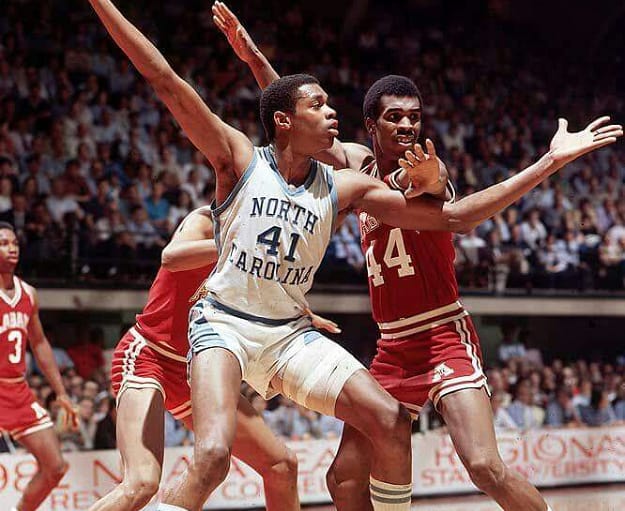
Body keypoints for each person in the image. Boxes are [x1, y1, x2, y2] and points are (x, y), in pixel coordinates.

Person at [89, 2, 622, 511]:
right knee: (266, 464)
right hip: (275, 329)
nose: (407, 126)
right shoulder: (308, 165)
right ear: (372, 127)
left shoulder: (362, 184)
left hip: (376, 332)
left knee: (440, 448)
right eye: (394, 118)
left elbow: (450, 212)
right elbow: (218, 95)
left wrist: (540, 163)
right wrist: (252, 60)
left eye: (415, 117)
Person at [88, 207, 310, 511]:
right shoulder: (207, 220)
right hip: (149, 354)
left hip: (199, 371)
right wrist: (237, 245)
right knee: (141, 484)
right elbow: (172, 256)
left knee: (282, 464)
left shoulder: (264, 253)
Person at [0, 222, 78, 511]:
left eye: (15, 244)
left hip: (17, 390)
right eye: (4, 243)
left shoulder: (28, 294)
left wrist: (61, 393)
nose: (11, 248)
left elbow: (40, 344)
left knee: (55, 467)